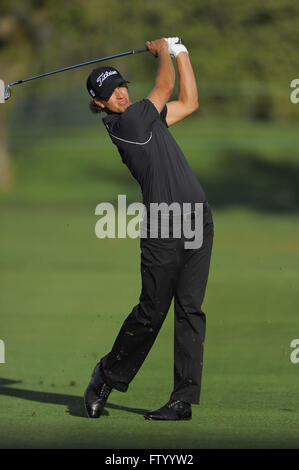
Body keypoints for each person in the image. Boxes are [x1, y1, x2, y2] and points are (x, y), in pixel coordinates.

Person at [84, 37, 214, 421]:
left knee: (190, 310)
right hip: (164, 228)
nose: (121, 93)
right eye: (111, 92)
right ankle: (105, 377)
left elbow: (189, 102)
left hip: (198, 220)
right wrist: (163, 53)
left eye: (122, 85)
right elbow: (165, 87)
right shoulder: (128, 122)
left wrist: (182, 50)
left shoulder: (147, 116)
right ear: (100, 104)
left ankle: (182, 401)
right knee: (151, 312)